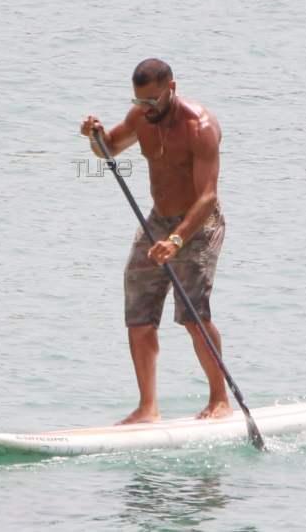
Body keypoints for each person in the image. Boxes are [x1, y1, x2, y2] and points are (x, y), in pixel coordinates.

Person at [79, 58, 233, 425]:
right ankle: (148, 408)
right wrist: (95, 137)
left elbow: (208, 196)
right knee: (139, 315)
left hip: (197, 225)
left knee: (193, 315)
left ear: (172, 90)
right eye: (139, 102)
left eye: (152, 102)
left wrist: (178, 239)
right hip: (156, 223)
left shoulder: (200, 127)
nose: (145, 110)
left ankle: (220, 400)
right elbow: (108, 150)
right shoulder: (140, 118)